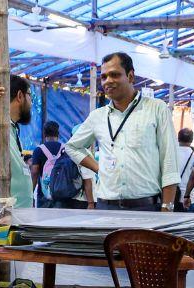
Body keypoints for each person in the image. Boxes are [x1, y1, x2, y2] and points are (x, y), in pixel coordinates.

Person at [65, 52, 180, 211]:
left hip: (146, 208)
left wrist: (167, 207)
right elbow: (72, 147)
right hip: (106, 206)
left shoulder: (156, 109)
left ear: (131, 76)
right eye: (104, 77)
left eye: (114, 75)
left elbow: (169, 161)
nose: (108, 81)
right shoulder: (97, 116)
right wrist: (99, 168)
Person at [0, 75, 34, 209]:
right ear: (20, 96)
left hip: (14, 219)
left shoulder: (12, 129)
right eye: (30, 96)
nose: (31, 102)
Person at [175, 128, 194, 211]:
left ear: (178, 138)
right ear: (192, 140)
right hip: (189, 198)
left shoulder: (171, 153)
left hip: (172, 195)